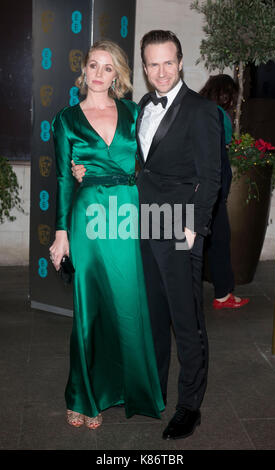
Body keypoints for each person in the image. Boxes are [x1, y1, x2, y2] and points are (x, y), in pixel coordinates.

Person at [72, 30, 221, 441]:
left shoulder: (201, 111)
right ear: (143, 66)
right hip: (143, 223)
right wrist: (84, 171)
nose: (161, 71)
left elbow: (212, 177)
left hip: (179, 228)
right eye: (153, 64)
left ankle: (189, 406)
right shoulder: (139, 106)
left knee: (186, 321)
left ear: (180, 61)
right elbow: (130, 163)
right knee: (153, 316)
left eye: (168, 62)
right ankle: (151, 390)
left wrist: (196, 229)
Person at [49, 40, 165, 430]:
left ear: (117, 75)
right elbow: (64, 177)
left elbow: (152, 162)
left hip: (127, 214)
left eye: (108, 68)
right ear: (83, 71)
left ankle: (129, 389)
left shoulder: (134, 112)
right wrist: (61, 233)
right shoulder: (66, 119)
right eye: (93, 66)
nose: (99, 74)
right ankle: (82, 396)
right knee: (90, 307)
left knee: (128, 303)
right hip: (89, 217)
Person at [199, 74, 250, 309]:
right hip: (214, 184)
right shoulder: (221, 116)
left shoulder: (194, 109)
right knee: (220, 239)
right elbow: (225, 146)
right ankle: (223, 294)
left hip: (191, 186)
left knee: (191, 241)